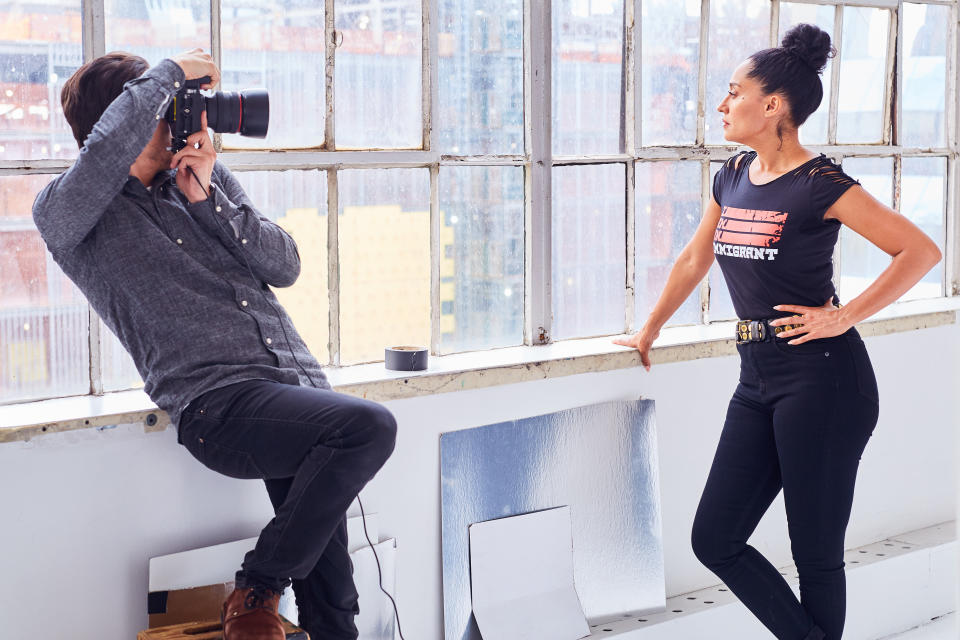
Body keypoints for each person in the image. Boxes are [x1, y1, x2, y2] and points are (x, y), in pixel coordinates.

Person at [32, 49, 397, 640]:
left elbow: (285, 266)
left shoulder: (200, 177)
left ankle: (284, 604)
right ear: (124, 115)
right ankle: (256, 588)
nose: (184, 115)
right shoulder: (70, 212)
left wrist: (207, 200)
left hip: (294, 388)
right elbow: (106, 152)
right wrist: (173, 70)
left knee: (334, 595)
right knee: (368, 427)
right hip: (219, 405)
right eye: (166, 105)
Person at [614, 24, 941, 640]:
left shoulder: (822, 184)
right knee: (714, 536)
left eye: (733, 91)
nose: (721, 104)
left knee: (815, 552)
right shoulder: (733, 173)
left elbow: (920, 251)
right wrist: (648, 330)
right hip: (757, 377)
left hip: (825, 381)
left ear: (773, 105)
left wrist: (842, 315)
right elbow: (694, 257)